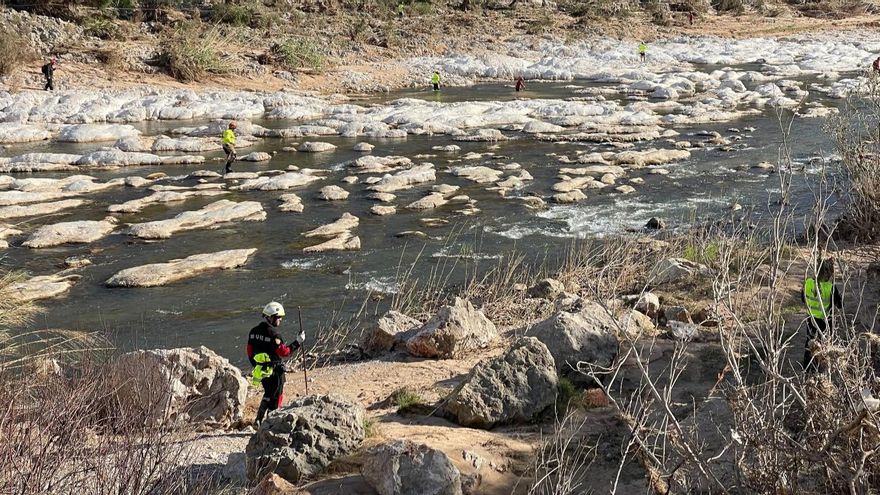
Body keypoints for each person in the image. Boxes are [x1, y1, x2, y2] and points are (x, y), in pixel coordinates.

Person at [247, 302, 305, 425]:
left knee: (268, 392)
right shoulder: (274, 335)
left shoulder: (253, 331)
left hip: (260, 369)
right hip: (275, 370)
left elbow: (249, 352)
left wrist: (257, 365)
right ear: (270, 317)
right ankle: (271, 421)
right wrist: (298, 342)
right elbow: (284, 352)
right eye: (278, 317)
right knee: (277, 394)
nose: (280, 320)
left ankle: (259, 419)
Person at [801, 258, 842, 372]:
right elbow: (839, 304)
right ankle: (822, 368)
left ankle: (807, 368)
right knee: (824, 345)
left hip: (811, 319)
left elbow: (803, 299)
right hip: (826, 320)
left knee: (810, 342)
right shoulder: (830, 287)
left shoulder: (808, 282)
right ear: (829, 273)